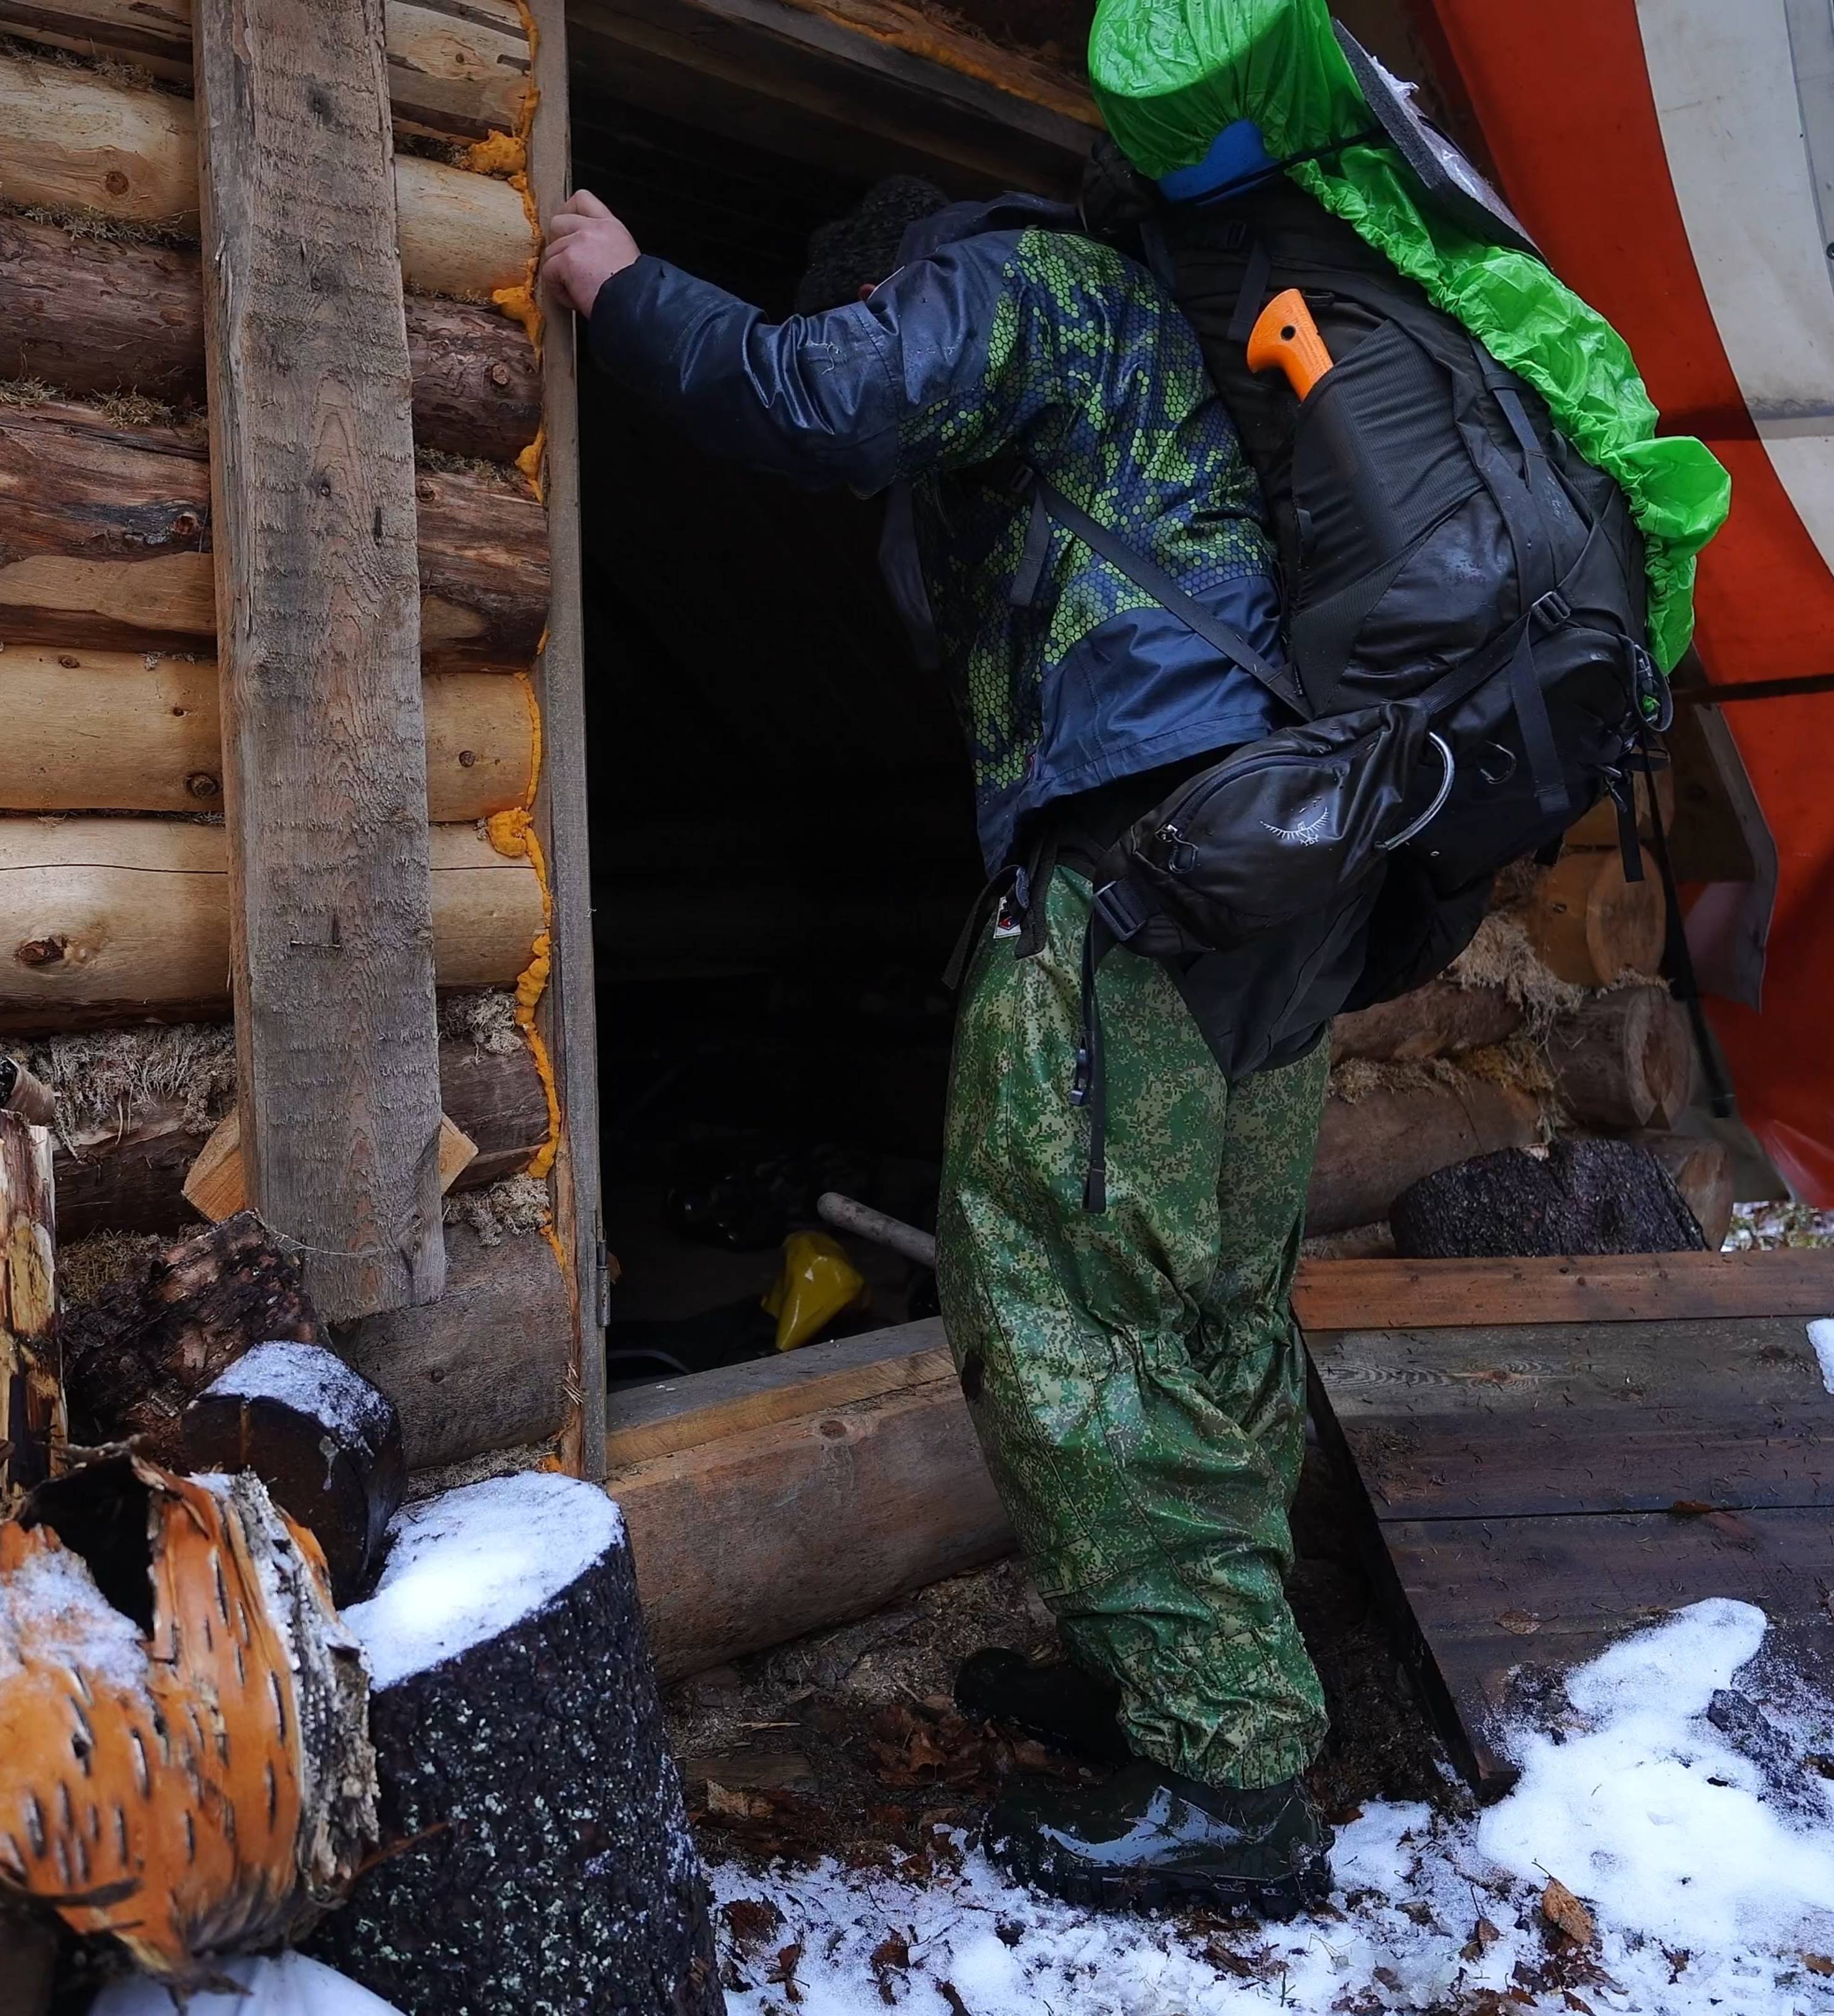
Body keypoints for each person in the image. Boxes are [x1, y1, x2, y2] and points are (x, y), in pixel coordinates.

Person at [538, 176, 1354, 1915]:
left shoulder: (1014, 282)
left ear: (890, 280)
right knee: (1213, 1297)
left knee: (1059, 1292)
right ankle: (1192, 1677)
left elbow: (819, 396)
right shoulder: (1147, 343)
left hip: (1143, 862)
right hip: (1277, 858)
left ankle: (1227, 1770)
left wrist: (623, 286)